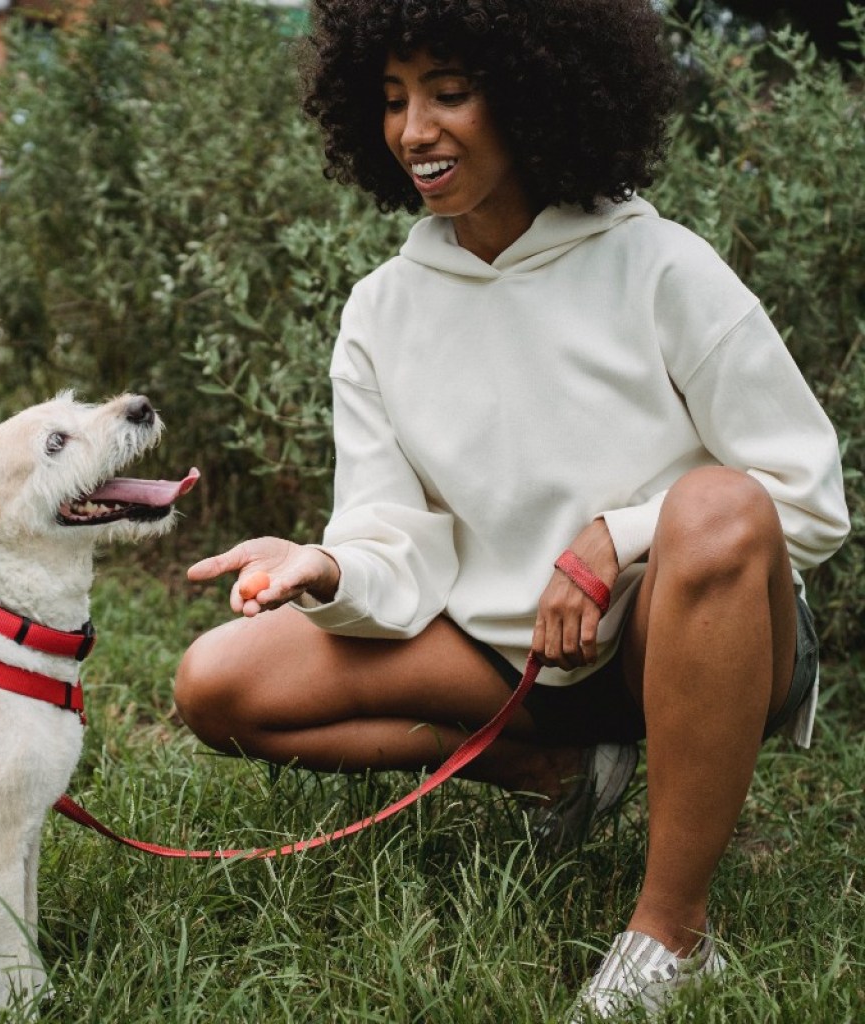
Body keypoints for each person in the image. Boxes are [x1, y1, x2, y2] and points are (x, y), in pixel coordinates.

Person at [174, 0, 850, 1017]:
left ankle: (671, 930)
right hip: (511, 657)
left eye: (449, 93)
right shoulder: (380, 310)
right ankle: (552, 766)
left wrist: (618, 537)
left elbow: (805, 493)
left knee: (714, 504)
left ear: (535, 94)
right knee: (216, 683)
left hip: (686, 634)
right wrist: (329, 566)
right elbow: (393, 536)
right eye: (394, 100)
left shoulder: (659, 262)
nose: (414, 130)